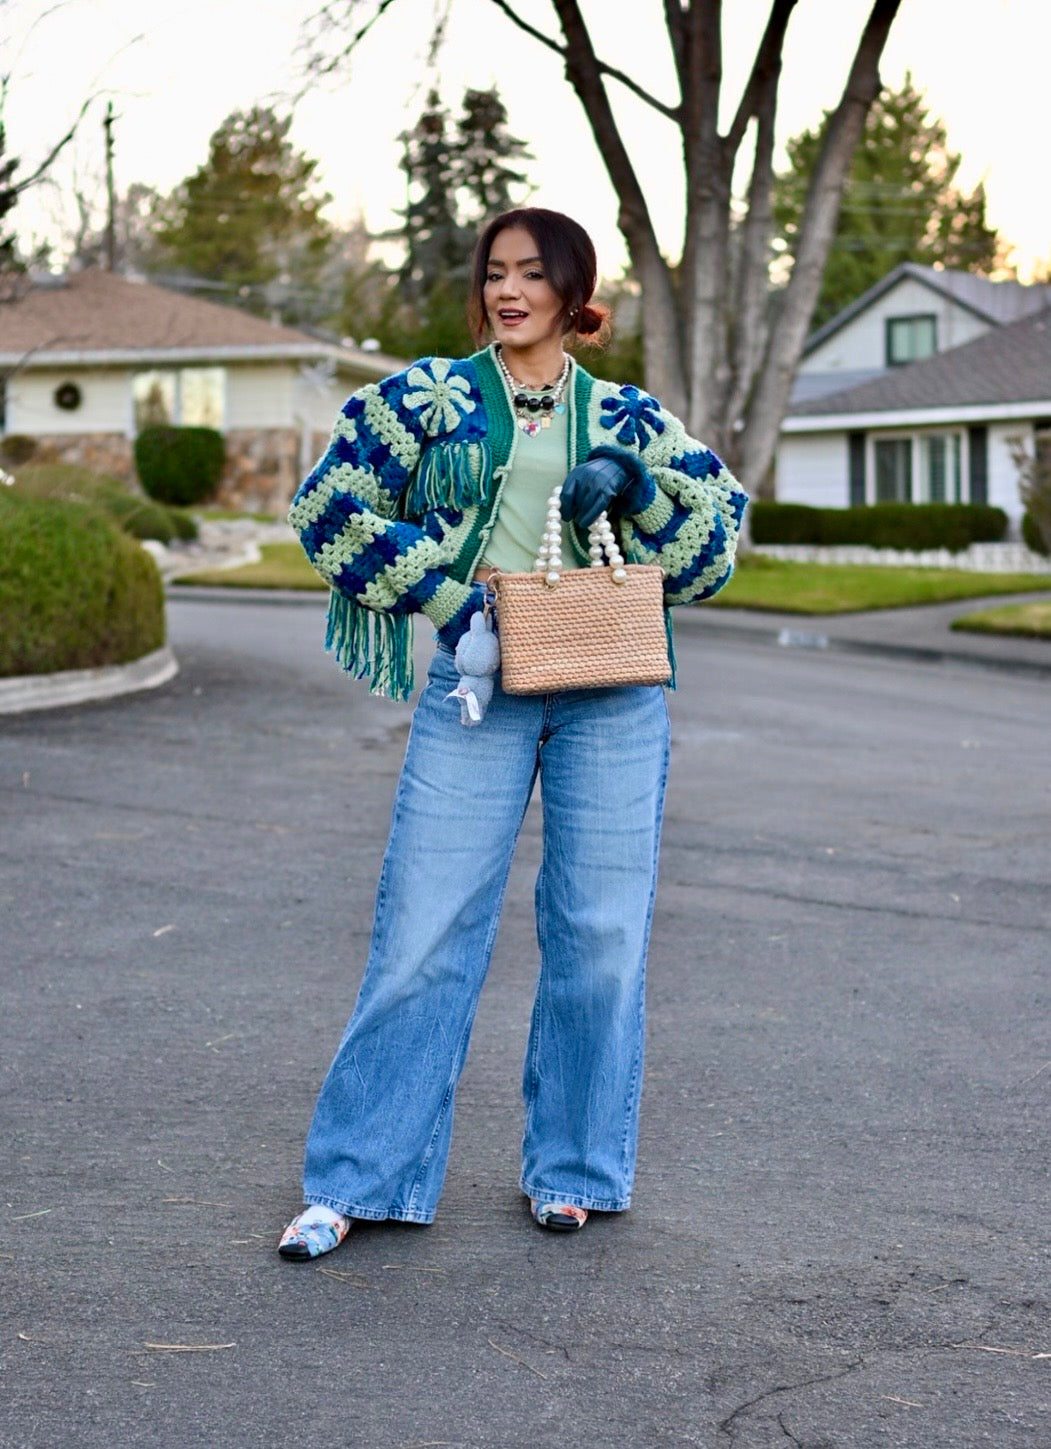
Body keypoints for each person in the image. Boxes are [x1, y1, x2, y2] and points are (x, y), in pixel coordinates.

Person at [278, 207, 747, 1259]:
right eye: (495, 272)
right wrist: (445, 601)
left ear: (572, 291)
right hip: (477, 679)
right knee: (424, 931)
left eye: (533, 273)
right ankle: (356, 1180)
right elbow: (326, 508)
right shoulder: (424, 398)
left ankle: (574, 1170)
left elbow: (712, 555)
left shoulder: (627, 416)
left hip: (610, 687)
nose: (508, 290)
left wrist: (638, 489)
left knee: (600, 938)